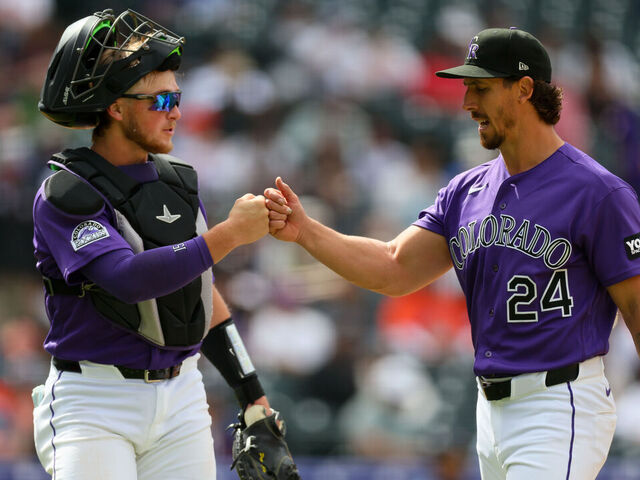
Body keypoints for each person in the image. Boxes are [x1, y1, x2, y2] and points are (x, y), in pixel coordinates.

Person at [265, 27, 640, 479]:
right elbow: (393, 267)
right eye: (467, 88)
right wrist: (305, 231)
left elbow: (636, 307)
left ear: (524, 89)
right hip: (490, 412)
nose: (466, 103)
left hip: (560, 403)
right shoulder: (466, 191)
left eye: (480, 88)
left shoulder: (597, 192)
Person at [31, 9, 294, 480]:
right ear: (115, 107)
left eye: (177, 96)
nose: (175, 110)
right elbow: (126, 280)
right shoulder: (65, 192)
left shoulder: (178, 182)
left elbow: (199, 291)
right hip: (94, 398)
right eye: (160, 99)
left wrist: (251, 394)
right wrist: (230, 233)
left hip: (182, 397)